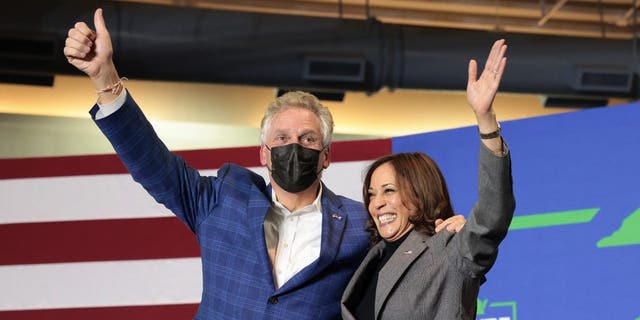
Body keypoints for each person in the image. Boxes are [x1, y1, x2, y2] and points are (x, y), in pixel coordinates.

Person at [63, 8, 466, 319]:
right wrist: (105, 79)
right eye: (283, 139)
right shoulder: (223, 200)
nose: (296, 147)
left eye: (309, 140)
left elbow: (414, 255)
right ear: (263, 153)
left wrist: (446, 231)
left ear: (326, 156)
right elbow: (153, 165)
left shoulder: (361, 226)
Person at [341, 39, 516, 319]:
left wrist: (485, 119)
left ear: (419, 193)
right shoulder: (369, 260)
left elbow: (492, 213)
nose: (377, 204)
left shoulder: (448, 248)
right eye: (372, 194)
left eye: (388, 191)